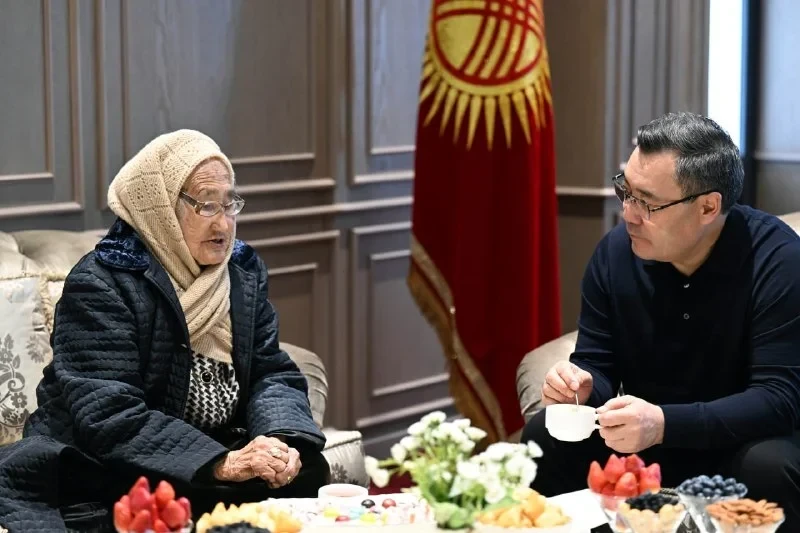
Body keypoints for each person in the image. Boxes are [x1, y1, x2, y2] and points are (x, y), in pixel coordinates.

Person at [0, 130, 330, 532]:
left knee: (308, 469)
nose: (224, 223)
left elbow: (270, 370)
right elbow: (109, 415)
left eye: (230, 203)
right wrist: (221, 463)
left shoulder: (242, 271)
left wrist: (279, 443)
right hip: (117, 456)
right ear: (159, 207)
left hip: (211, 446)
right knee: (151, 497)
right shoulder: (102, 282)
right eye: (207, 205)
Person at [521, 112, 800, 528]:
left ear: (708, 207)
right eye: (626, 191)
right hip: (641, 441)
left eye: (647, 203)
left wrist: (664, 424)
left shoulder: (777, 260)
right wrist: (581, 387)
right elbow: (598, 362)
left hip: (741, 440)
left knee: (771, 466)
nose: (628, 214)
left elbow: (778, 398)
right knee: (544, 435)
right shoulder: (616, 253)